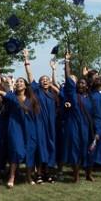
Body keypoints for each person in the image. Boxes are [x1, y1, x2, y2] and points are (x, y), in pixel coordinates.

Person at [23, 52, 59, 183]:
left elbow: (62, 94)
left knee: (51, 147)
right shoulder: (36, 91)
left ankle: (48, 173)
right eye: (43, 80)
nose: (45, 81)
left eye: (47, 80)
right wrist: (26, 59)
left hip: (51, 125)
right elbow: (30, 75)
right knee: (40, 147)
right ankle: (38, 174)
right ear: (39, 83)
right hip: (39, 124)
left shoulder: (53, 95)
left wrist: (53, 71)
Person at [61, 52, 95, 182]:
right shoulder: (73, 95)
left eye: (83, 83)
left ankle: (89, 174)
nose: (80, 85)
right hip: (74, 126)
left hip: (87, 127)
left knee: (88, 150)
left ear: (87, 86)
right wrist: (67, 61)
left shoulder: (91, 97)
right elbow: (68, 77)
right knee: (75, 149)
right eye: (78, 83)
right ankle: (75, 175)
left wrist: (86, 75)